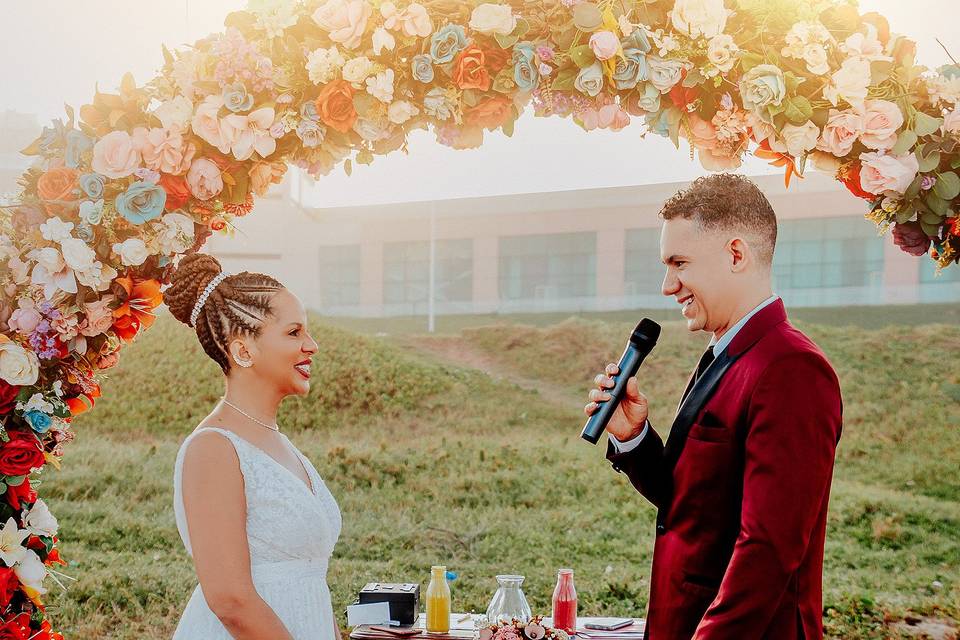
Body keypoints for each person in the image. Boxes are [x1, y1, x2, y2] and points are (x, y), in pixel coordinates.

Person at [585, 175, 843, 640]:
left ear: (736, 254)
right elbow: (694, 507)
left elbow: (768, 549)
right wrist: (634, 439)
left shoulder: (792, 368)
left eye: (679, 263)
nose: (668, 286)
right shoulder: (725, 355)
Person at [166, 253, 342, 640]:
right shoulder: (213, 448)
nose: (312, 345)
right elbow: (231, 601)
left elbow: (312, 581)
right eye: (294, 332)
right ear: (243, 350)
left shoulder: (278, 441)